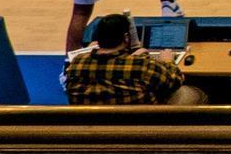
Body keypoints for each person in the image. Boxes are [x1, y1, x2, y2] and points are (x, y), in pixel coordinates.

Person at [64, 12, 204, 106]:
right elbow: (175, 80)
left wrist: (130, 59)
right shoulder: (142, 65)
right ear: (126, 38)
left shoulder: (76, 64)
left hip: (94, 129)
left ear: (97, 41)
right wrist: (167, 61)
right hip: (141, 126)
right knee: (193, 94)